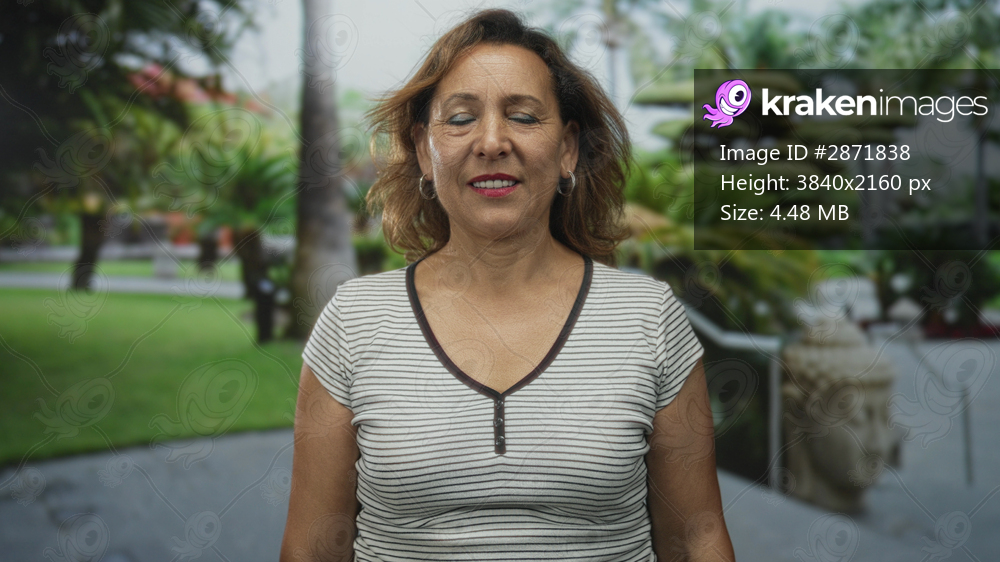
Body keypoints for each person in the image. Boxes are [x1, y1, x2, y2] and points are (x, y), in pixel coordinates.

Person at [281, 8, 735, 562]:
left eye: (522, 117)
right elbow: (310, 549)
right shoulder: (354, 321)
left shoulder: (649, 317)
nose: (492, 142)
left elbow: (696, 539)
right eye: (460, 119)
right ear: (424, 150)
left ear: (567, 149)